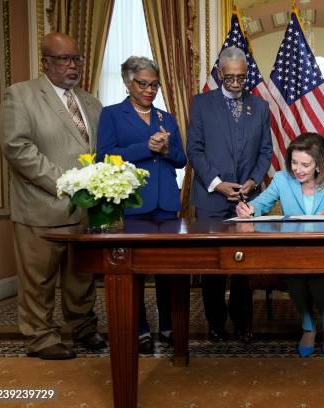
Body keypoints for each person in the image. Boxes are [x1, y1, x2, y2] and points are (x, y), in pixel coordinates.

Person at [0, 32, 106, 359]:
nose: (72, 65)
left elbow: (98, 151)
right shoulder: (21, 95)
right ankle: (40, 338)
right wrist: (66, 181)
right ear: (46, 62)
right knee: (39, 282)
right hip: (41, 209)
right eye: (64, 59)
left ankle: (83, 327)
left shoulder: (90, 102)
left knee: (80, 279)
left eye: (76, 59)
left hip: (83, 212)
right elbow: (17, 148)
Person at [97, 56, 187, 354]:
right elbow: (104, 157)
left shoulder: (166, 117)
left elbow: (181, 159)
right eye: (143, 84)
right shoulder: (112, 114)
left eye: (154, 85)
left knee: (168, 270)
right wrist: (145, 147)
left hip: (166, 205)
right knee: (133, 270)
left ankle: (168, 325)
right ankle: (140, 330)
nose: (150, 90)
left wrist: (167, 148)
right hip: (134, 203)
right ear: (128, 83)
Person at [237, 133, 324, 358]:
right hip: (293, 250)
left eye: (305, 165)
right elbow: (261, 203)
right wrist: (249, 209)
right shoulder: (282, 179)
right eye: (294, 162)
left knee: (318, 278)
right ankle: (308, 326)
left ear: (319, 165)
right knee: (294, 277)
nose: (297, 169)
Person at [187, 46, 273, 342]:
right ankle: (215, 321)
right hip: (211, 199)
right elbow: (194, 150)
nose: (236, 84)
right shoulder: (201, 104)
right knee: (214, 265)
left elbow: (266, 151)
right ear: (219, 73)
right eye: (230, 78)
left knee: (244, 263)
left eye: (241, 78)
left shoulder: (260, 107)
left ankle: (242, 320)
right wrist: (217, 183)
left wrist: (252, 181)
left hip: (246, 199)